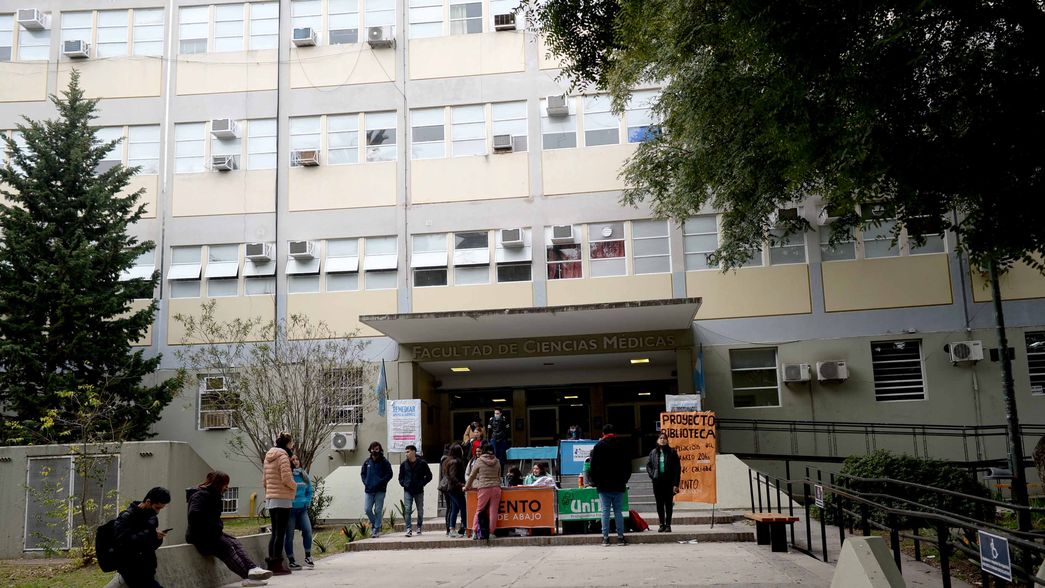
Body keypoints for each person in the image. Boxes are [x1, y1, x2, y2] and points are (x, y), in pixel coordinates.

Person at [187, 472, 273, 587]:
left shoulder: (214, 495)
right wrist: (212, 526)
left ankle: (253, 569)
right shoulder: (200, 496)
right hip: (201, 537)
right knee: (227, 547)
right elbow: (194, 515)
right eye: (225, 485)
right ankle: (248, 577)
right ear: (218, 484)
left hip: (212, 534)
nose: (227, 487)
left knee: (235, 542)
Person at [113, 486, 170, 588]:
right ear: (148, 502)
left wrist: (158, 538)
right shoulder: (126, 517)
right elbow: (123, 541)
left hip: (148, 569)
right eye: (157, 507)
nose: (158, 512)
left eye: (161, 508)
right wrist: (150, 535)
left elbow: (151, 545)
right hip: (132, 570)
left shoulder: (152, 519)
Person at [588, 423, 632, 546]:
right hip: (619, 484)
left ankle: (605, 538)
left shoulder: (598, 446)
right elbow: (628, 465)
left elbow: (593, 467)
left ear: (603, 433)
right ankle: (620, 537)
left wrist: (596, 482)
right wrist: (624, 479)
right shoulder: (622, 445)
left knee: (605, 511)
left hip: (603, 485)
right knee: (618, 511)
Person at [262, 433, 299, 574]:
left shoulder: (268, 456)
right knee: (281, 532)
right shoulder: (283, 456)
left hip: (271, 498)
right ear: (287, 443)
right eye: (292, 442)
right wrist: (295, 486)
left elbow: (264, 480)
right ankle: (277, 564)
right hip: (283, 498)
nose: (292, 445)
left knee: (275, 533)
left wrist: (269, 492)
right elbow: (286, 479)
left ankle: (272, 562)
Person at [464, 441, 502, 541]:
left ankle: (475, 531)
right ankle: (491, 532)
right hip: (496, 488)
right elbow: (499, 475)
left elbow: (472, 475)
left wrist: (466, 487)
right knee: (493, 511)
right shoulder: (497, 461)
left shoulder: (479, 461)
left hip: (484, 487)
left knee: (479, 510)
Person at [646, 431, 682, 532]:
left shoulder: (672, 452)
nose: (663, 440)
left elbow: (677, 469)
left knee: (668, 504)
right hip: (657, 482)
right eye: (661, 438)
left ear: (667, 440)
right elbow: (648, 465)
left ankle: (668, 524)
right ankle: (661, 524)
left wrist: (676, 484)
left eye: (664, 438)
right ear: (657, 440)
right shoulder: (653, 452)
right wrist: (652, 475)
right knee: (659, 504)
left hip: (669, 482)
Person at [285, 455, 314, 570]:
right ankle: (291, 560)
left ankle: (308, 557)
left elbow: (309, 490)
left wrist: (307, 501)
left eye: (297, 459)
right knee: (289, 535)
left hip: (302, 509)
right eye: (292, 460)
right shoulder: (288, 476)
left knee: (308, 531)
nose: (295, 461)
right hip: (290, 509)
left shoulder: (303, 474)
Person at [398, 444, 432, 537]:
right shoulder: (404, 464)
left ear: (413, 452)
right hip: (408, 490)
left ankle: (419, 526)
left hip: (419, 490)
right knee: (407, 509)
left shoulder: (422, 463)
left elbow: (429, 476)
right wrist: (404, 484)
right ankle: (408, 528)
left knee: (420, 510)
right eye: (406, 452)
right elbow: (400, 478)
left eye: (408, 452)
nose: (406, 454)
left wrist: (422, 483)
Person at [361, 440, 393, 538]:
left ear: (380, 449)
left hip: (380, 490)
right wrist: (366, 482)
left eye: (377, 449)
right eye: (373, 449)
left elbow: (389, 474)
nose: (375, 451)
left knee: (378, 510)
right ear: (370, 450)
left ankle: (376, 529)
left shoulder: (385, 462)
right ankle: (375, 524)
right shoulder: (367, 462)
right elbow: (363, 474)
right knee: (367, 509)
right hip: (369, 490)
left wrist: (382, 482)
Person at [442, 443, 467, 537]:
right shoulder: (456, 462)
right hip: (455, 489)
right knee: (463, 508)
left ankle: (452, 529)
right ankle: (465, 527)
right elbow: (453, 477)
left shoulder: (449, 461)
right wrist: (461, 484)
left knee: (454, 509)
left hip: (452, 488)